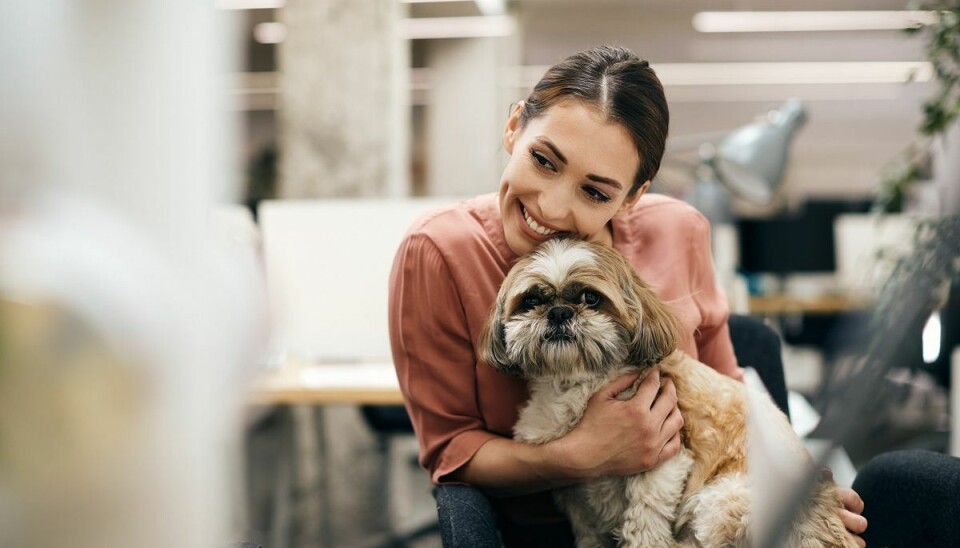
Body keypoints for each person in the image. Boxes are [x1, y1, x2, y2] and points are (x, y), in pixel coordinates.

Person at [388, 45, 866, 546]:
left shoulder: (680, 230)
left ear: (632, 196)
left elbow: (727, 398)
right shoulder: (438, 252)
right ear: (514, 129)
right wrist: (578, 455)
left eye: (595, 192)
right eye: (544, 161)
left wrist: (791, 483)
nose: (552, 207)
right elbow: (450, 451)